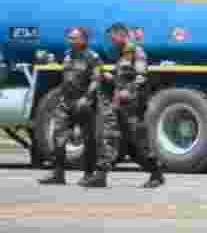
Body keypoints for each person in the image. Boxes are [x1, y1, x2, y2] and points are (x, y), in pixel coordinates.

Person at [84, 23, 165, 188]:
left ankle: (156, 174)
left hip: (133, 106)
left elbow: (141, 77)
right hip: (119, 105)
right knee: (110, 137)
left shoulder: (136, 52)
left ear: (121, 35)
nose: (111, 41)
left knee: (138, 142)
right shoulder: (122, 55)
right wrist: (110, 78)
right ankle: (100, 175)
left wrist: (128, 91)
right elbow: (122, 79)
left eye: (112, 38)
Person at [39, 27, 102, 186]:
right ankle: (58, 174)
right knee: (58, 137)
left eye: (74, 38)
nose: (70, 40)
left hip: (83, 103)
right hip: (66, 102)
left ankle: (88, 174)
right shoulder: (67, 55)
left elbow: (96, 80)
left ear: (84, 39)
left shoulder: (92, 57)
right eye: (69, 37)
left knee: (88, 139)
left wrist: (87, 97)